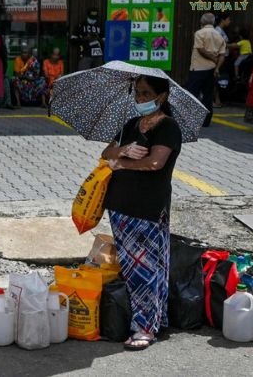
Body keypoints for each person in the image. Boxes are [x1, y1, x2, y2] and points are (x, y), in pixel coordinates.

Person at [100, 75, 182, 351]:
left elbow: (155, 163)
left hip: (147, 207)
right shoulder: (131, 125)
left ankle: (145, 328)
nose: (140, 99)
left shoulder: (168, 127)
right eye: (137, 93)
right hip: (120, 206)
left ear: (163, 97)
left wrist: (121, 164)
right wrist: (122, 150)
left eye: (147, 94)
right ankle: (155, 320)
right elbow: (106, 152)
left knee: (146, 270)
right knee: (138, 267)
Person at [186, 13, 226, 127]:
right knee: (208, 95)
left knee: (192, 94)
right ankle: (206, 121)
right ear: (213, 22)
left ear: (202, 22)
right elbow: (222, 55)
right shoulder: (219, 35)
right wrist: (217, 67)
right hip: (212, 70)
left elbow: (200, 49)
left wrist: (213, 58)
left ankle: (190, 119)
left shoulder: (199, 33)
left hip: (198, 68)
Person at [213, 15, 231, 108]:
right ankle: (216, 100)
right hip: (219, 58)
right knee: (216, 79)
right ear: (222, 20)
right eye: (228, 19)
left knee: (219, 80)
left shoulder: (221, 30)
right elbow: (220, 45)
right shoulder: (217, 31)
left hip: (223, 58)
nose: (229, 21)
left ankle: (218, 100)